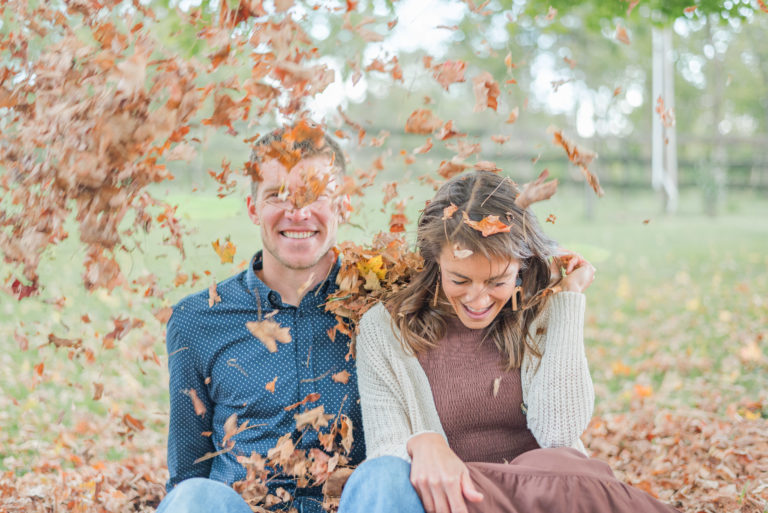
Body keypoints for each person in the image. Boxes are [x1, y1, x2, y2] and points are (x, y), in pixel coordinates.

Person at [338, 170, 679, 513]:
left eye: (497, 281)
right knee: (377, 478)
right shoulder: (386, 328)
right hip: (449, 503)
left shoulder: (541, 313)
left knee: (563, 466)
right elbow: (387, 454)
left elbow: (559, 435)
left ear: (521, 266)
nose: (478, 298)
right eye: (460, 278)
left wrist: (567, 299)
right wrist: (421, 444)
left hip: (533, 499)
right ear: (435, 262)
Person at [157, 124, 365, 513]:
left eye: (315, 194)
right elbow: (187, 474)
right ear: (253, 208)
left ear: (343, 205)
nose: (297, 212)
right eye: (276, 196)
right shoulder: (197, 320)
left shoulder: (380, 308)